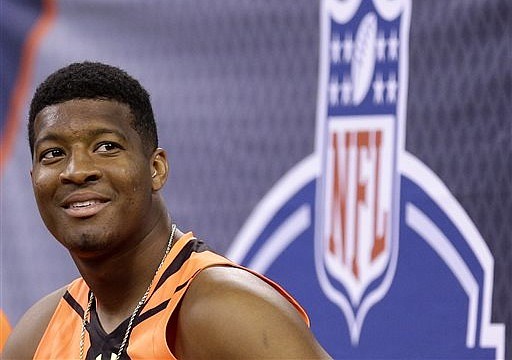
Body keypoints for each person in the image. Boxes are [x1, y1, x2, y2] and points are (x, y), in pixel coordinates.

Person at [3, 62, 331, 359]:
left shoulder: (225, 311)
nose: (76, 170)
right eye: (53, 153)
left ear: (156, 169)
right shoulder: (37, 336)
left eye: (107, 147)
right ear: (34, 180)